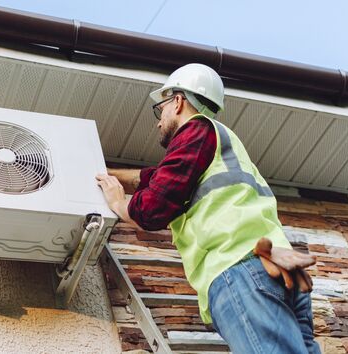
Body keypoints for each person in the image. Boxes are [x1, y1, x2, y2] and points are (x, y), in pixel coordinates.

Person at [95, 63, 321, 354]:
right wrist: (107, 173)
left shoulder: (195, 131)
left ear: (177, 101)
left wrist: (119, 203)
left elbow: (153, 208)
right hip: (276, 268)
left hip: (238, 269)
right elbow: (156, 177)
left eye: (160, 109)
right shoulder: (219, 142)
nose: (158, 120)